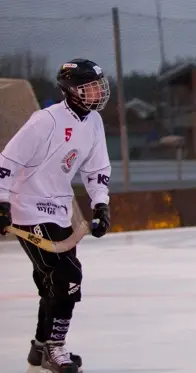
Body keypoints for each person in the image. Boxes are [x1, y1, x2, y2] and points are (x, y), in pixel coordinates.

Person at [0, 58, 112, 373]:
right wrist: (2, 203)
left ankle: (39, 348)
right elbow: (7, 161)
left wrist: (100, 203)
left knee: (49, 282)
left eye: (97, 85)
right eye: (88, 86)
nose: (95, 91)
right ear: (70, 90)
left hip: (60, 212)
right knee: (67, 277)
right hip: (29, 209)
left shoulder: (94, 122)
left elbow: (97, 168)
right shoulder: (44, 121)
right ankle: (54, 349)